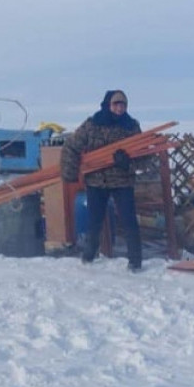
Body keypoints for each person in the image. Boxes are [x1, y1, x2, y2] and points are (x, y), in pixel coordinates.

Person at [60, 90, 144, 271]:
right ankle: (88, 257)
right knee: (94, 221)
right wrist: (70, 173)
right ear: (108, 105)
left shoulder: (131, 126)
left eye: (123, 104)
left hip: (123, 181)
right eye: (116, 104)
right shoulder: (93, 124)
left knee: (129, 221)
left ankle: (135, 262)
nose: (120, 108)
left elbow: (144, 156)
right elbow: (71, 146)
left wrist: (127, 163)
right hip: (97, 181)